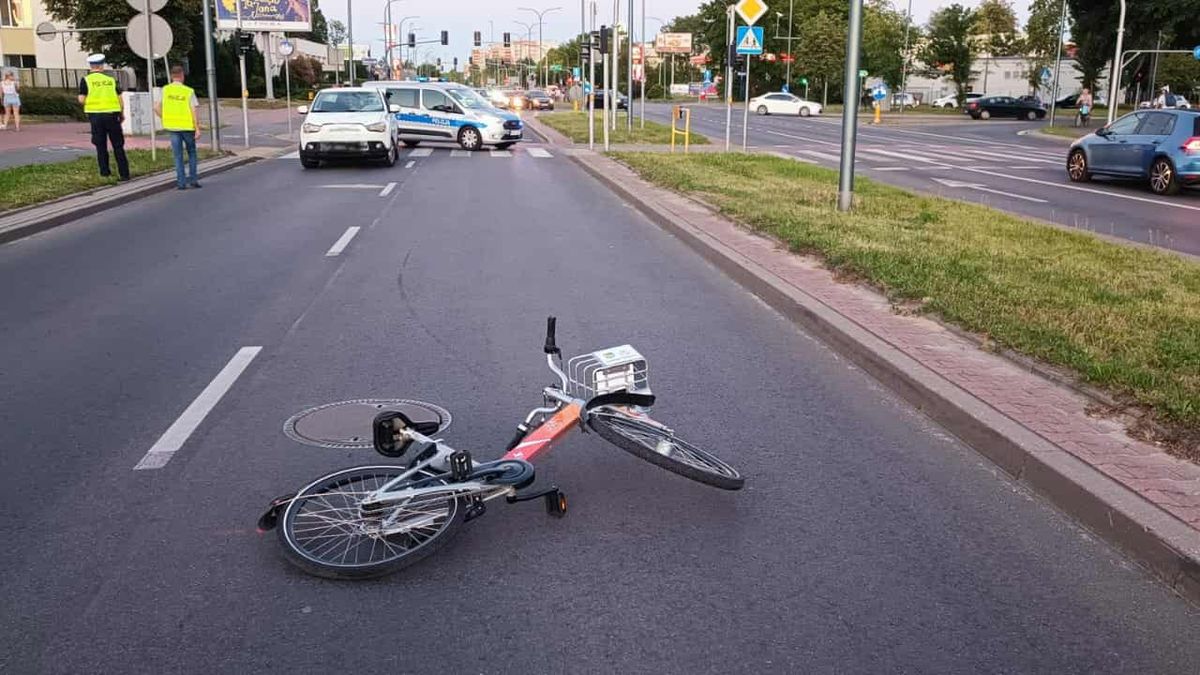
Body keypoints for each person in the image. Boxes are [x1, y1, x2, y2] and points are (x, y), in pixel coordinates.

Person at [77, 54, 129, 181]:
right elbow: (120, 99)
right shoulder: (111, 80)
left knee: (100, 145)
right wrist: (121, 114)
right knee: (118, 145)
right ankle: (124, 174)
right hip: (112, 115)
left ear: (91, 66)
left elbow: (81, 99)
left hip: (95, 117)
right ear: (101, 66)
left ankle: (105, 173)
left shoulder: (86, 80)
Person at [155, 65, 201, 190]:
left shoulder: (165, 90)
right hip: (187, 127)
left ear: (171, 76)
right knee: (191, 153)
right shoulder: (188, 91)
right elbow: (194, 109)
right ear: (182, 76)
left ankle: (181, 183)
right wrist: (197, 127)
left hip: (172, 127)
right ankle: (193, 180)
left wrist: (164, 118)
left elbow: (156, 107)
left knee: (178, 155)